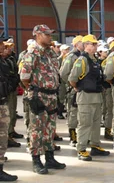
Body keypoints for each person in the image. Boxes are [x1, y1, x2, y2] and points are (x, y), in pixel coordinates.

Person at [20, 24, 66, 174]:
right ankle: (36, 160)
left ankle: (50, 157)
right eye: (46, 34)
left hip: (52, 95)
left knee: (50, 128)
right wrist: (33, 91)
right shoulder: (32, 54)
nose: (49, 36)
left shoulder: (50, 53)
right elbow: (24, 78)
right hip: (38, 95)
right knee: (36, 130)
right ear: (38, 35)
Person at [68, 34, 110, 161]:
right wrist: (77, 88)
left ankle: (95, 146)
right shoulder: (82, 60)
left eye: (96, 44)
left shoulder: (94, 60)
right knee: (85, 124)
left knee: (96, 123)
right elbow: (72, 79)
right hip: (86, 97)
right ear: (86, 45)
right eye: (93, 44)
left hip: (96, 97)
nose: (96, 46)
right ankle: (81, 149)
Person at [59, 35, 83, 147]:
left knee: (82, 114)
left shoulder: (84, 56)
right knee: (73, 113)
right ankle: (73, 137)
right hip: (73, 90)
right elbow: (64, 73)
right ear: (76, 44)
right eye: (82, 43)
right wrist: (71, 85)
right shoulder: (71, 57)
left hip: (83, 89)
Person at [0, 37, 18, 181]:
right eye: (1, 45)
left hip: (2, 102)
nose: (3, 48)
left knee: (2, 137)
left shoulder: (4, 62)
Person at [3, 41, 22, 147]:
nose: (8, 50)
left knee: (12, 112)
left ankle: (11, 131)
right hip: (6, 91)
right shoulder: (4, 61)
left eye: (10, 48)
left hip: (11, 89)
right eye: (6, 48)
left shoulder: (10, 59)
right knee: (8, 113)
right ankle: (7, 135)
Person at [97, 45, 113, 140]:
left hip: (108, 87)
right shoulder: (99, 62)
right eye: (104, 51)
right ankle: (107, 131)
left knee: (110, 110)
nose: (106, 53)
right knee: (107, 109)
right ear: (100, 52)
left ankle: (109, 129)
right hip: (105, 88)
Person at [57, 44, 70, 120]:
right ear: (62, 50)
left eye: (68, 49)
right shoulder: (59, 59)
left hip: (67, 80)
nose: (67, 51)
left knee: (68, 97)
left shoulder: (69, 58)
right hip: (61, 81)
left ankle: (68, 113)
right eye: (65, 49)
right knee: (61, 97)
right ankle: (60, 112)